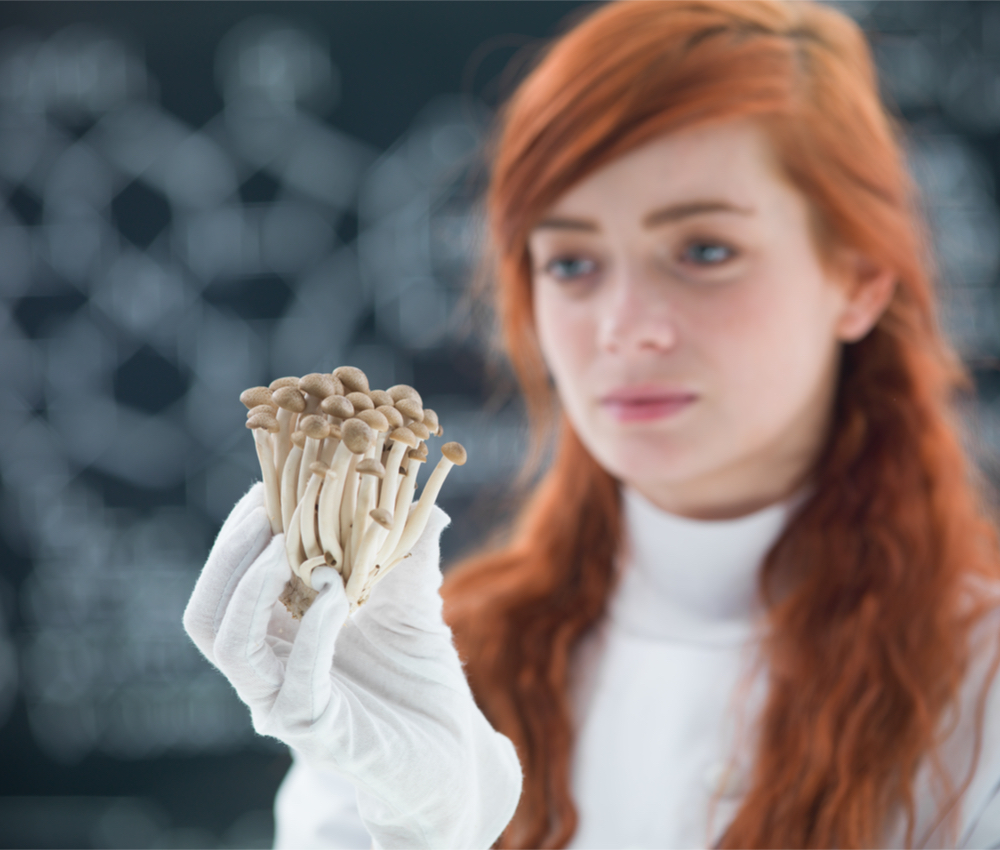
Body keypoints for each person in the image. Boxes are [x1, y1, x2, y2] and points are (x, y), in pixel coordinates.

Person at [183, 1, 1000, 847]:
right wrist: (415, 827)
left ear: (860, 276)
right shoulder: (426, 671)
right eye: (571, 262)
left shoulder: (983, 690)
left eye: (705, 250)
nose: (623, 325)